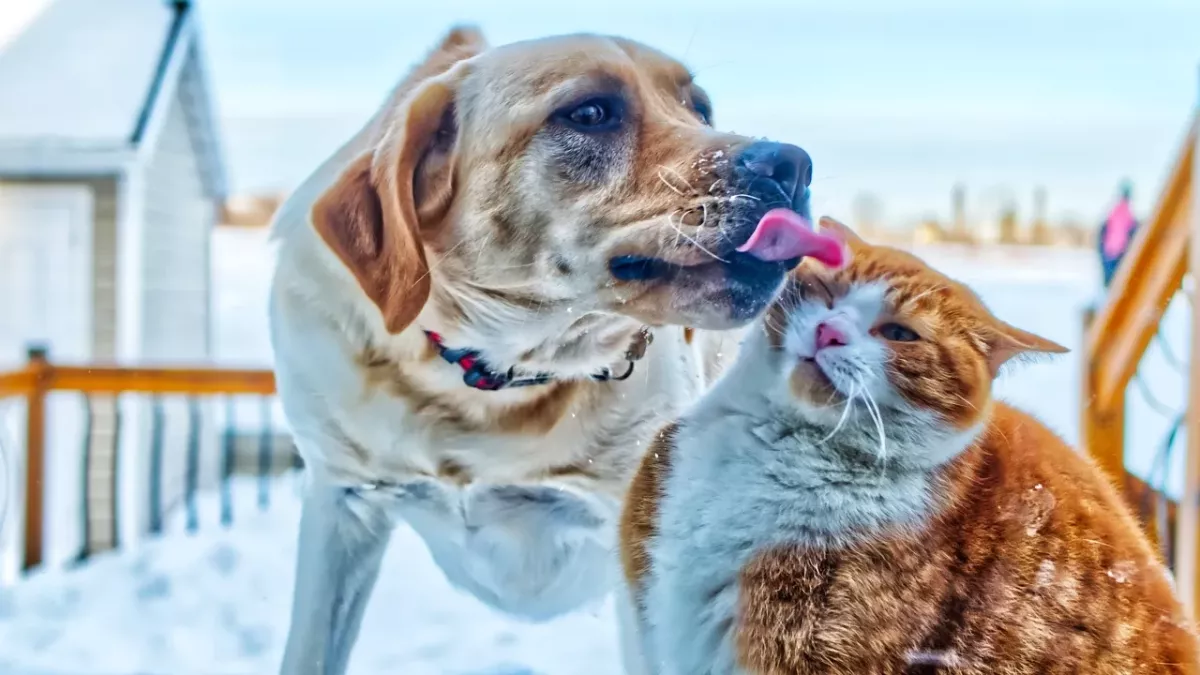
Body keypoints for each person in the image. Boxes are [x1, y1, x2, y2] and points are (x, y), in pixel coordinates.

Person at [1098, 181, 1139, 289]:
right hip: (1117, 253)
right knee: (1115, 282)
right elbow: (1132, 230)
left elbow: (1103, 230)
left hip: (1111, 252)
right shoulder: (1124, 211)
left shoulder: (1115, 210)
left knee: (1112, 282)